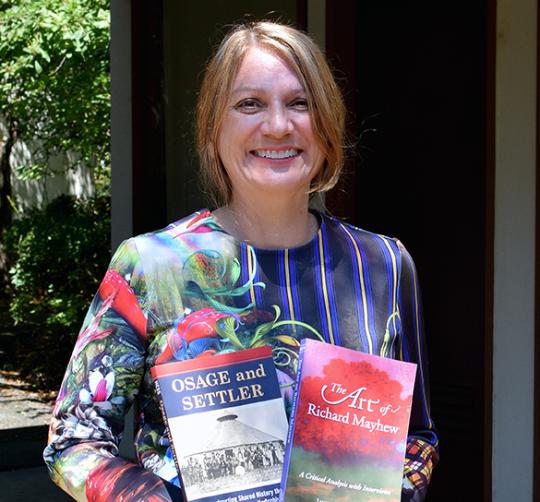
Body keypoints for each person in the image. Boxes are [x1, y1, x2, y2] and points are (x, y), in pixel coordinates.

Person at [44, 21, 438, 501]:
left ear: (328, 127)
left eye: (300, 103)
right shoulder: (153, 266)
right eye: (249, 104)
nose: (277, 124)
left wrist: (385, 491)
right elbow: (74, 442)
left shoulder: (381, 264)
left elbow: (417, 437)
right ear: (214, 129)